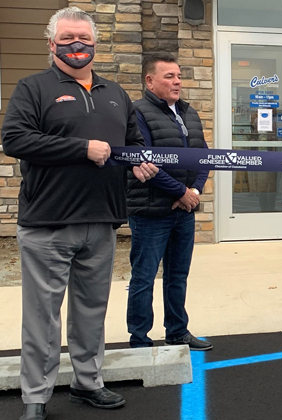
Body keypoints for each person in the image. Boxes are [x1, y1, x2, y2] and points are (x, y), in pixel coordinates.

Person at [0, 7, 159, 420]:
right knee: (42, 317)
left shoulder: (114, 92)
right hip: (48, 223)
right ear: (52, 44)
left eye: (84, 39)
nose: (77, 46)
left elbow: (130, 143)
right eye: (68, 38)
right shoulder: (33, 87)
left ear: (95, 43)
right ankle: (35, 397)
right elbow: (15, 139)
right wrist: (81, 148)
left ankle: (88, 384)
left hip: (101, 221)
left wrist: (139, 162)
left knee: (92, 310)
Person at [126, 53, 212, 351]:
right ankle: (139, 339)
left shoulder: (188, 112)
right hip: (151, 212)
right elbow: (145, 163)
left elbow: (205, 157)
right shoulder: (137, 113)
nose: (177, 82)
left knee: (177, 276)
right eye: (169, 77)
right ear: (149, 81)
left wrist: (195, 193)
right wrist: (180, 193)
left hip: (183, 211)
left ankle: (177, 331)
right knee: (144, 277)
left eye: (178, 76)